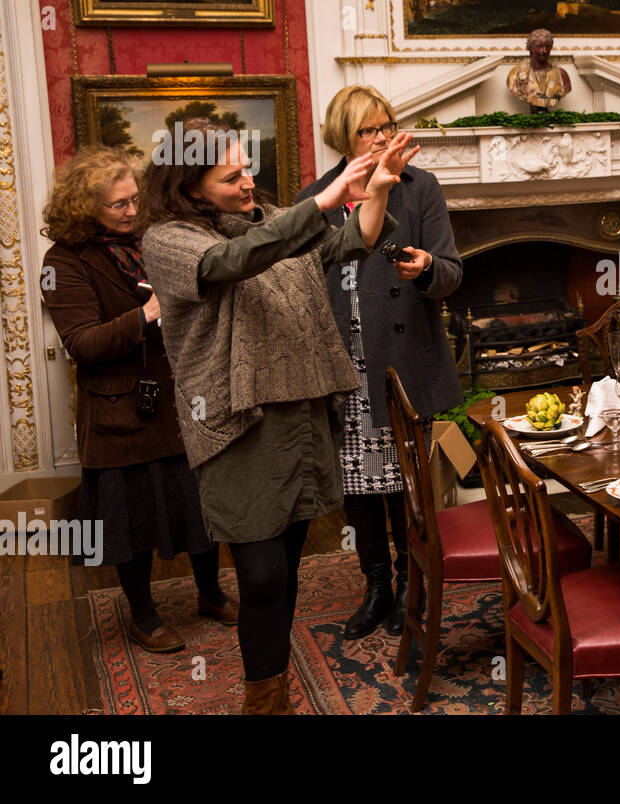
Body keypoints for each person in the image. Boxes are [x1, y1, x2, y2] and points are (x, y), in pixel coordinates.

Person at [140, 116, 402, 713]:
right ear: (189, 186)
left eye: (248, 168)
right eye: (231, 176)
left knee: (283, 569)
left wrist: (378, 188)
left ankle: (273, 682)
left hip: (302, 410)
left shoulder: (269, 221)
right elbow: (230, 263)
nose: (248, 182)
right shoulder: (170, 241)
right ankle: (262, 701)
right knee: (258, 575)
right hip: (238, 422)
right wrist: (325, 201)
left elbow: (346, 244)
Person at [40, 146, 236, 653]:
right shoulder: (62, 262)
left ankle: (211, 594)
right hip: (118, 414)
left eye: (134, 200)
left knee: (199, 507)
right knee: (133, 519)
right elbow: (82, 343)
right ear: (85, 208)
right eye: (118, 205)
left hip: (181, 400)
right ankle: (143, 615)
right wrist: (149, 312)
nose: (131, 212)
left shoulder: (153, 240)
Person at [297, 86, 463, 640]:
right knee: (357, 487)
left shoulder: (421, 188)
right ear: (344, 135)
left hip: (403, 362)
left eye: (388, 125)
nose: (383, 136)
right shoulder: (317, 198)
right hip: (342, 367)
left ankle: (409, 580)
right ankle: (376, 587)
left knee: (405, 485)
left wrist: (428, 268)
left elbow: (454, 271)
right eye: (370, 129)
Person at [506, 28, 572, 112]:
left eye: (547, 47)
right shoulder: (516, 74)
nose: (544, 51)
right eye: (539, 47)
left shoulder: (562, 75)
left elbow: (566, 88)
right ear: (531, 48)